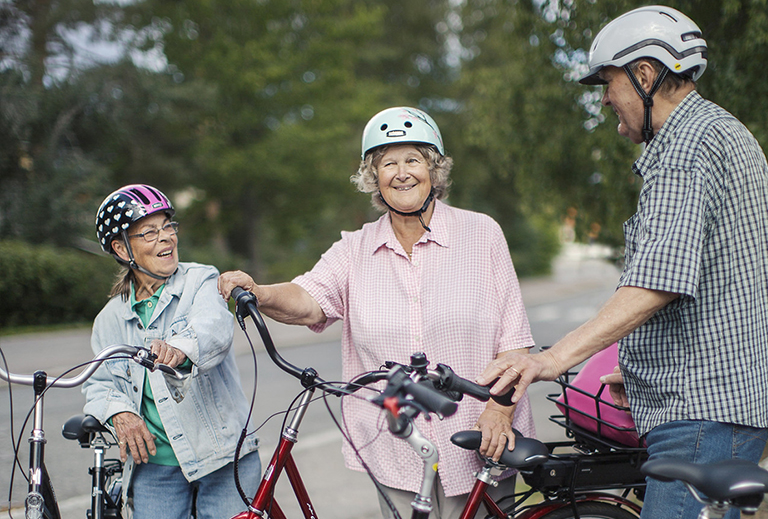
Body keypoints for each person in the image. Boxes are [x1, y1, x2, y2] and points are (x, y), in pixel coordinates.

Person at [478, 5, 768, 519]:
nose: (607, 99)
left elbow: (655, 284)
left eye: (610, 83)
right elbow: (711, 284)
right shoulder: (719, 133)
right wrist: (636, 371)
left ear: (645, 74)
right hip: (717, 403)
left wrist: (548, 360)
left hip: (703, 413)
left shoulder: (685, 151)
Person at [218, 107, 536, 519]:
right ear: (374, 177)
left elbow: (516, 341)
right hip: (397, 445)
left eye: (413, 159)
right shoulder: (354, 249)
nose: (402, 172)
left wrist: (499, 411)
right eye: (388, 163)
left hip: (480, 435)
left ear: (434, 169)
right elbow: (307, 298)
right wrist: (259, 292)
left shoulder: (482, 234)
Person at [83, 184, 261, 519]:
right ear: (122, 249)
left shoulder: (200, 280)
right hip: (156, 465)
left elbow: (214, 328)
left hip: (221, 455)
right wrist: (120, 412)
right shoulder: (109, 320)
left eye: (167, 227)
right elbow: (99, 384)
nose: (165, 238)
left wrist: (178, 348)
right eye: (149, 232)